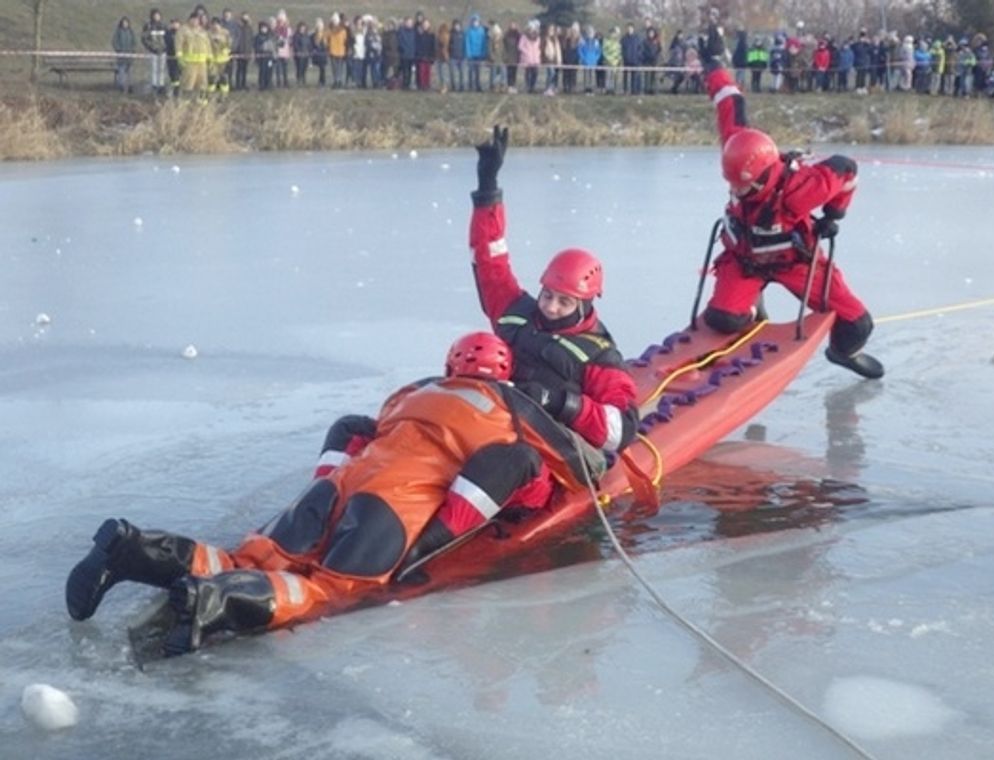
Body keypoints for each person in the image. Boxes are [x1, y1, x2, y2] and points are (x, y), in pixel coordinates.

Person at [65, 333, 593, 656]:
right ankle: (216, 601)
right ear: (502, 374)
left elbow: (356, 426)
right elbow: (573, 465)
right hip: (388, 508)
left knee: (248, 555)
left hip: (338, 487)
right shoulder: (507, 408)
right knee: (328, 590)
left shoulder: (412, 393)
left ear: (451, 364)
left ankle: (130, 548)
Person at [701, 31, 884, 380]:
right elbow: (728, 99)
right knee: (723, 319)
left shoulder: (800, 188)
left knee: (857, 323)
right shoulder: (738, 146)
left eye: (743, 185)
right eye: (732, 184)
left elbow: (846, 170)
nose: (736, 191)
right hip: (743, 259)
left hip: (794, 261)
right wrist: (714, 66)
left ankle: (844, 352)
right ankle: (752, 309)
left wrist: (834, 214)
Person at [468, 125, 639, 469]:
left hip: (543, 449)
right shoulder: (516, 312)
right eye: (547, 295)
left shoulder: (599, 356)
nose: (549, 307)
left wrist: (560, 402)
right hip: (488, 424)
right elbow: (490, 258)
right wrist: (488, 190)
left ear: (586, 304)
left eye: (563, 302)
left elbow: (621, 430)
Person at [112, 16, 136, 94]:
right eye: (124, 23)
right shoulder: (118, 31)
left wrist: (133, 50)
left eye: (126, 23)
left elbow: (134, 41)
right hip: (121, 55)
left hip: (129, 55)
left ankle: (130, 86)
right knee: (121, 70)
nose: (125, 24)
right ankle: (121, 86)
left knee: (129, 71)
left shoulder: (131, 31)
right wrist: (118, 50)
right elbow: (114, 41)